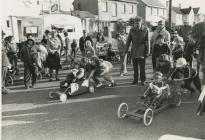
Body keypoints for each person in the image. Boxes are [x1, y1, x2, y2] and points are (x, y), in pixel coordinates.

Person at [124, 17, 150, 85]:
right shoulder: (132, 30)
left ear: (141, 22)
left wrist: (148, 51)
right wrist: (125, 51)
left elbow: (148, 42)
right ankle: (135, 80)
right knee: (135, 68)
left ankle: (143, 80)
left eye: (138, 23)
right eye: (135, 23)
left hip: (142, 51)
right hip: (134, 51)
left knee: (142, 68)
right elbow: (128, 41)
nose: (137, 24)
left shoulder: (145, 30)